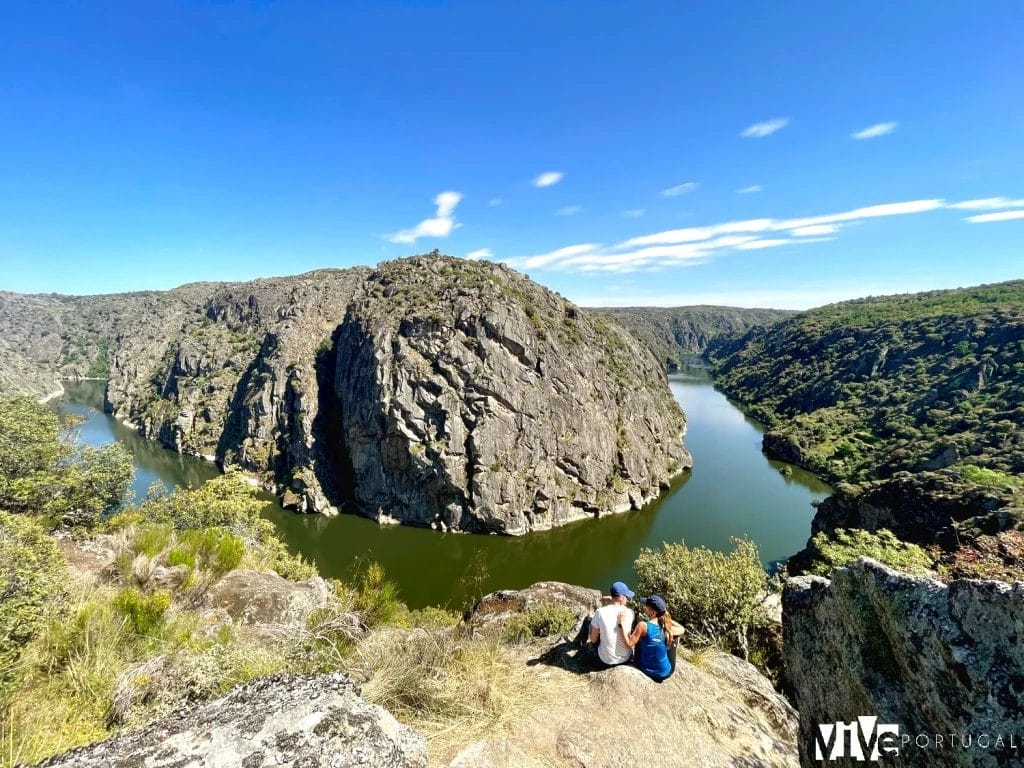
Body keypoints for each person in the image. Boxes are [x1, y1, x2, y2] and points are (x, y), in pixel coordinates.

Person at [616, 594, 678, 682]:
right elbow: (682, 629)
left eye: (646, 606)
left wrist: (621, 625)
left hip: (648, 671)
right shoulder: (666, 627)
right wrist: (665, 618)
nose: (644, 607)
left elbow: (629, 644)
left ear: (652, 612)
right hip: (666, 672)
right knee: (670, 636)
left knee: (639, 638)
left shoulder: (643, 626)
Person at [575, 581, 636, 669]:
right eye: (627, 596)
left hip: (605, 661)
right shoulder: (630, 613)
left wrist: (591, 622)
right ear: (621, 598)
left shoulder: (600, 612)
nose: (628, 598)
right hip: (626, 659)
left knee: (588, 620)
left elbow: (593, 640)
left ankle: (581, 644)